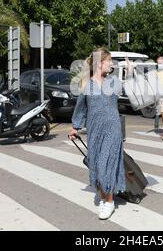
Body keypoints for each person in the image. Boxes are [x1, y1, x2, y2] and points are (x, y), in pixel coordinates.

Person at [69, 47, 126, 221]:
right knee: (97, 165)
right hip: (94, 131)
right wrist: (75, 127)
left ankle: (109, 202)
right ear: (100, 63)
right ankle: (103, 197)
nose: (111, 64)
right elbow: (81, 108)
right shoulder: (87, 86)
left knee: (105, 164)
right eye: (109, 61)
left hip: (113, 129)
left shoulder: (114, 81)